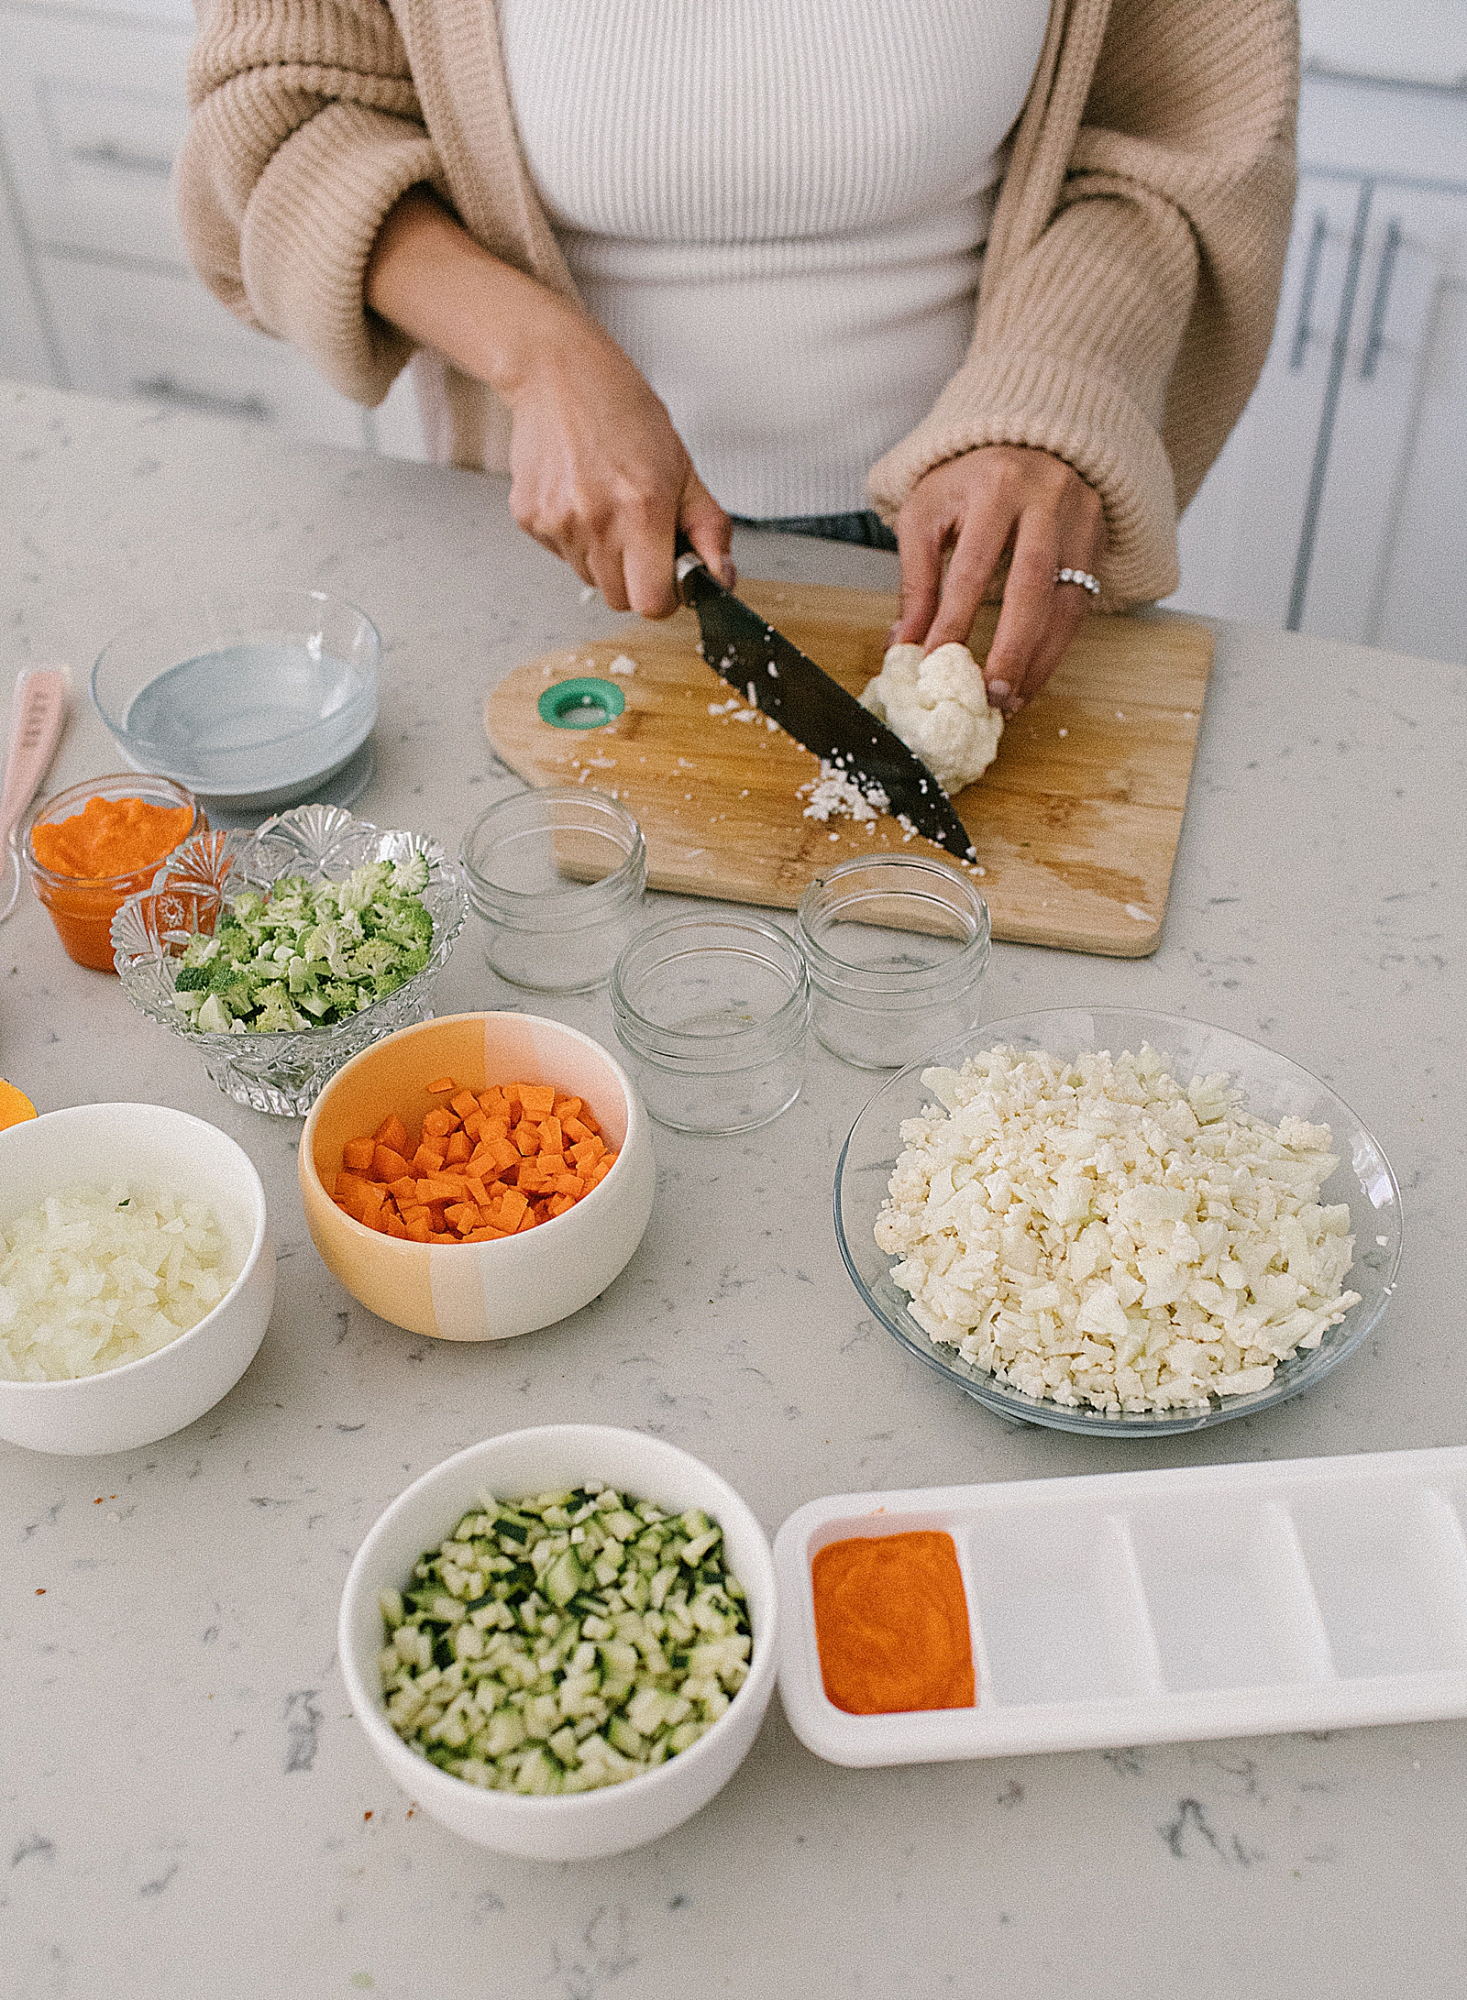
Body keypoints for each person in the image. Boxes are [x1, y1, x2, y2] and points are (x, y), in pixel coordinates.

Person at [178, 0, 1296, 716]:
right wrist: (538, 356)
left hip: (975, 561)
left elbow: (1179, 155)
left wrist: (1047, 396)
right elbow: (282, 115)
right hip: (554, 548)